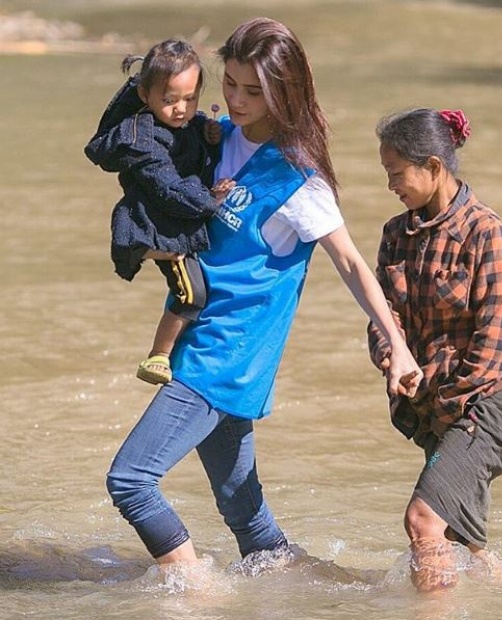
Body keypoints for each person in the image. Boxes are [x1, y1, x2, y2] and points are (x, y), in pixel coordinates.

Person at [105, 17, 420, 572]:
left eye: (254, 90)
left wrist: (398, 345)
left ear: (286, 92)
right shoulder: (213, 138)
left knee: (131, 480)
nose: (237, 99)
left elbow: (349, 262)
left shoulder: (301, 181)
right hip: (196, 339)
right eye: (229, 83)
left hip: (227, 355)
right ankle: (327, 595)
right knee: (249, 523)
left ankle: (197, 596)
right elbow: (135, 122)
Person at [367, 107, 502, 593]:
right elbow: (384, 316)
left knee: (423, 521)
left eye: (396, 174)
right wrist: (391, 357)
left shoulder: (486, 232)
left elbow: (497, 334)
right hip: (438, 404)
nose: (390, 186)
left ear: (434, 167)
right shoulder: (395, 235)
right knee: (460, 544)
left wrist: (448, 402)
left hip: (491, 399)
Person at [84, 39, 235, 386]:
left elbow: (191, 150)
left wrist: (208, 136)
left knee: (196, 287)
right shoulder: (141, 138)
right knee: (191, 293)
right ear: (145, 96)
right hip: (154, 222)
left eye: (190, 98)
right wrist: (210, 200)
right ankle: (159, 355)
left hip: (169, 218)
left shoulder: (184, 123)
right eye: (169, 100)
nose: (181, 109)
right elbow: (168, 186)